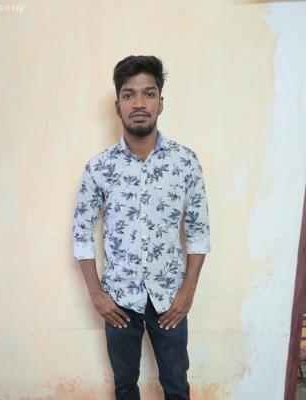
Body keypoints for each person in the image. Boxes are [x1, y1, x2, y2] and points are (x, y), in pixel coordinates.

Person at [72, 55, 211, 400]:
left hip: (170, 298)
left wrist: (187, 292)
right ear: (117, 106)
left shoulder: (185, 162)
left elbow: (198, 231)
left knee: (176, 386)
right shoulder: (99, 168)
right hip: (119, 301)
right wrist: (97, 296)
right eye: (128, 94)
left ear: (160, 103)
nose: (139, 103)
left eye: (148, 94)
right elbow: (81, 234)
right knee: (124, 387)